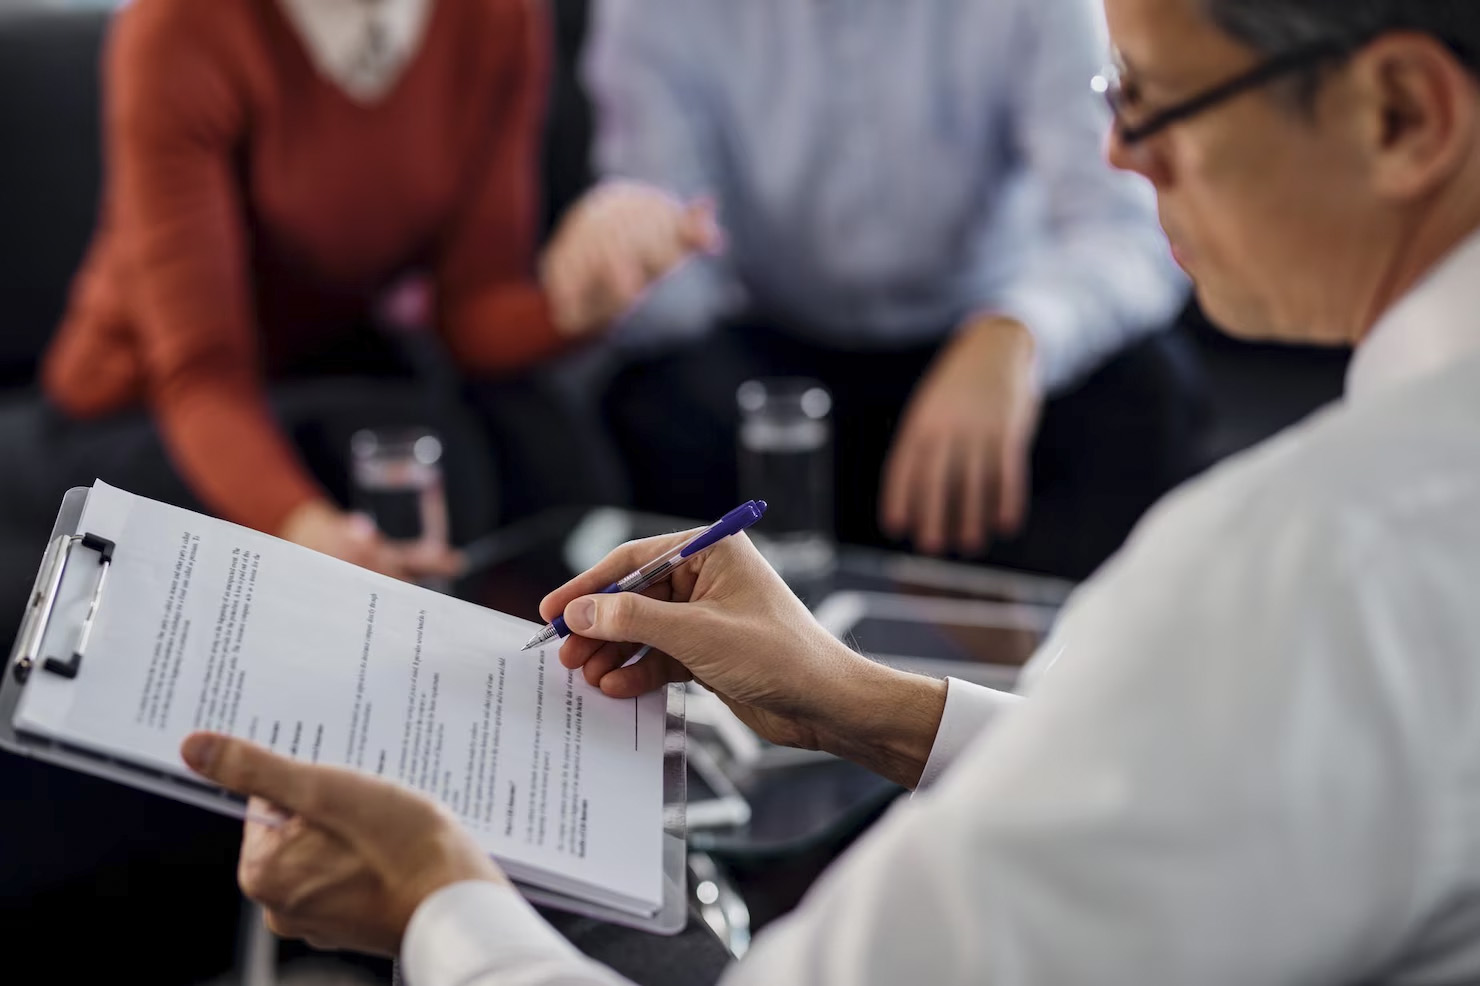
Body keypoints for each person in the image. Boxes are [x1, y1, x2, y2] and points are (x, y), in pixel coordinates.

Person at [182, 0, 1480, 982]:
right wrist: (869, 705)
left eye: (1150, 101)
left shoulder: (1304, 563)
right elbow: (1222, 808)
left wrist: (432, 897)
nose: (1126, 159)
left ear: (1402, 117)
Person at [0, 0, 714, 594]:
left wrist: (578, 305)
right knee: (432, 472)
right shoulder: (182, 28)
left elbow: (473, 312)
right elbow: (202, 374)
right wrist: (306, 529)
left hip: (327, 361)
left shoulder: (495, 18)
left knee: (548, 446)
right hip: (143, 399)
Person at [541, 0, 1198, 579]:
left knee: (1143, 389)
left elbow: (1125, 227)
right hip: (773, 350)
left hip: (975, 343)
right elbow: (681, 294)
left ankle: (1071, 692)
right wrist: (623, 271)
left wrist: (1017, 334)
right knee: (657, 399)